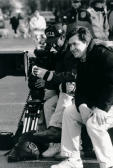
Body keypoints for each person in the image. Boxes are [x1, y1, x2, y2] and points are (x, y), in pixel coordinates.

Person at [51, 26, 113, 168]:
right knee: (69, 112)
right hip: (105, 102)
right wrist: (82, 106)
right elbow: (81, 89)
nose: (72, 48)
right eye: (70, 45)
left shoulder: (107, 54)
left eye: (75, 44)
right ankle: (73, 160)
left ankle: (111, 165)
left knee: (95, 123)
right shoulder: (82, 60)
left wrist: (101, 108)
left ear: (87, 42)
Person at [32, 25, 79, 158]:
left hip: (74, 90)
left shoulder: (70, 52)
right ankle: (54, 143)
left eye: (55, 41)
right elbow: (58, 74)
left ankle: (57, 138)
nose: (53, 45)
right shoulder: (59, 52)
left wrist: (48, 78)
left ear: (63, 37)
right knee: (47, 104)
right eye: (50, 42)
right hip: (64, 89)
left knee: (62, 96)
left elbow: (69, 75)